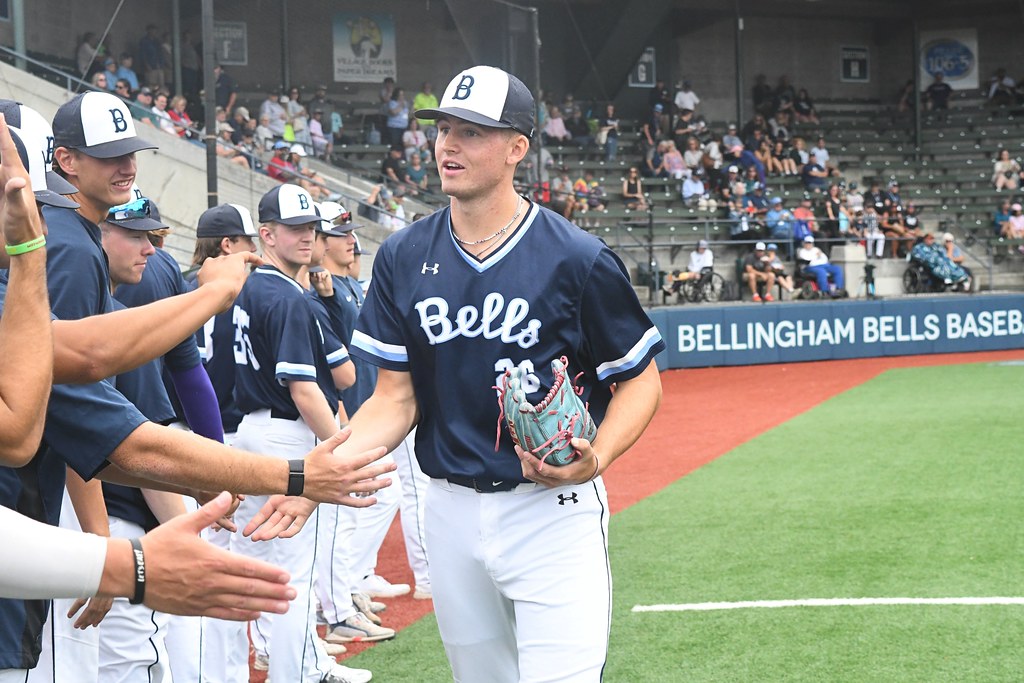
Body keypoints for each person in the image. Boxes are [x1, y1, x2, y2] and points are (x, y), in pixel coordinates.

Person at [284, 64, 664, 683]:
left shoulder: (577, 258)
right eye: (442, 129)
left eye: (472, 131)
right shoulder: (405, 254)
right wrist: (314, 471)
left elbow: (640, 380)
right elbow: (394, 400)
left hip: (551, 507)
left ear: (517, 148)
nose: (448, 144)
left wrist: (596, 456)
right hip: (450, 510)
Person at [229, 184, 374, 683]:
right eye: (293, 228)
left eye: (310, 227)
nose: (306, 237)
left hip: (249, 430)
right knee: (290, 572)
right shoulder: (286, 296)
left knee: (252, 566)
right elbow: (305, 389)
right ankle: (300, 671)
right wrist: (343, 450)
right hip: (284, 436)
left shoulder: (251, 286)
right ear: (266, 234)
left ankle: (287, 661)